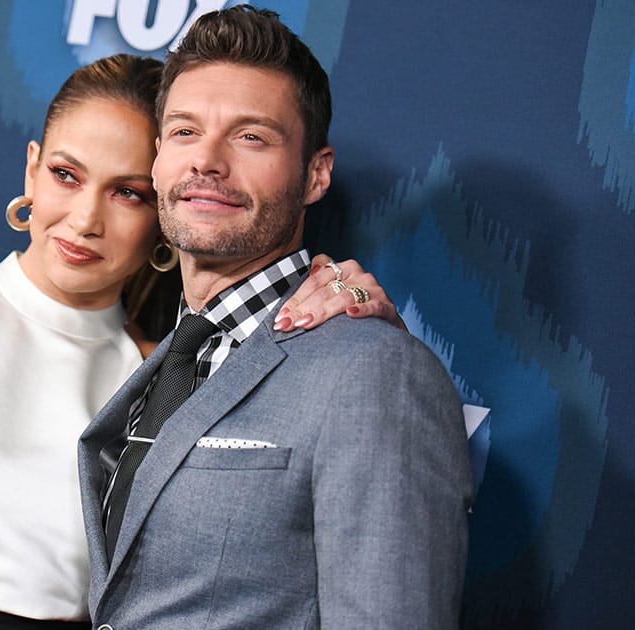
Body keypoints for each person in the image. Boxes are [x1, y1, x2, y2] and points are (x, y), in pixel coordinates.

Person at [0, 53, 400, 630]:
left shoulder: (164, 379)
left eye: (128, 193)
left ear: (167, 211)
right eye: (67, 175)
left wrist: (367, 316)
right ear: (33, 169)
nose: (86, 219)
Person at [77, 7, 474, 629]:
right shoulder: (165, 358)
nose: (207, 160)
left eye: (250, 136)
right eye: (184, 132)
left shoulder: (375, 371)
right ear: (157, 160)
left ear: (316, 173)